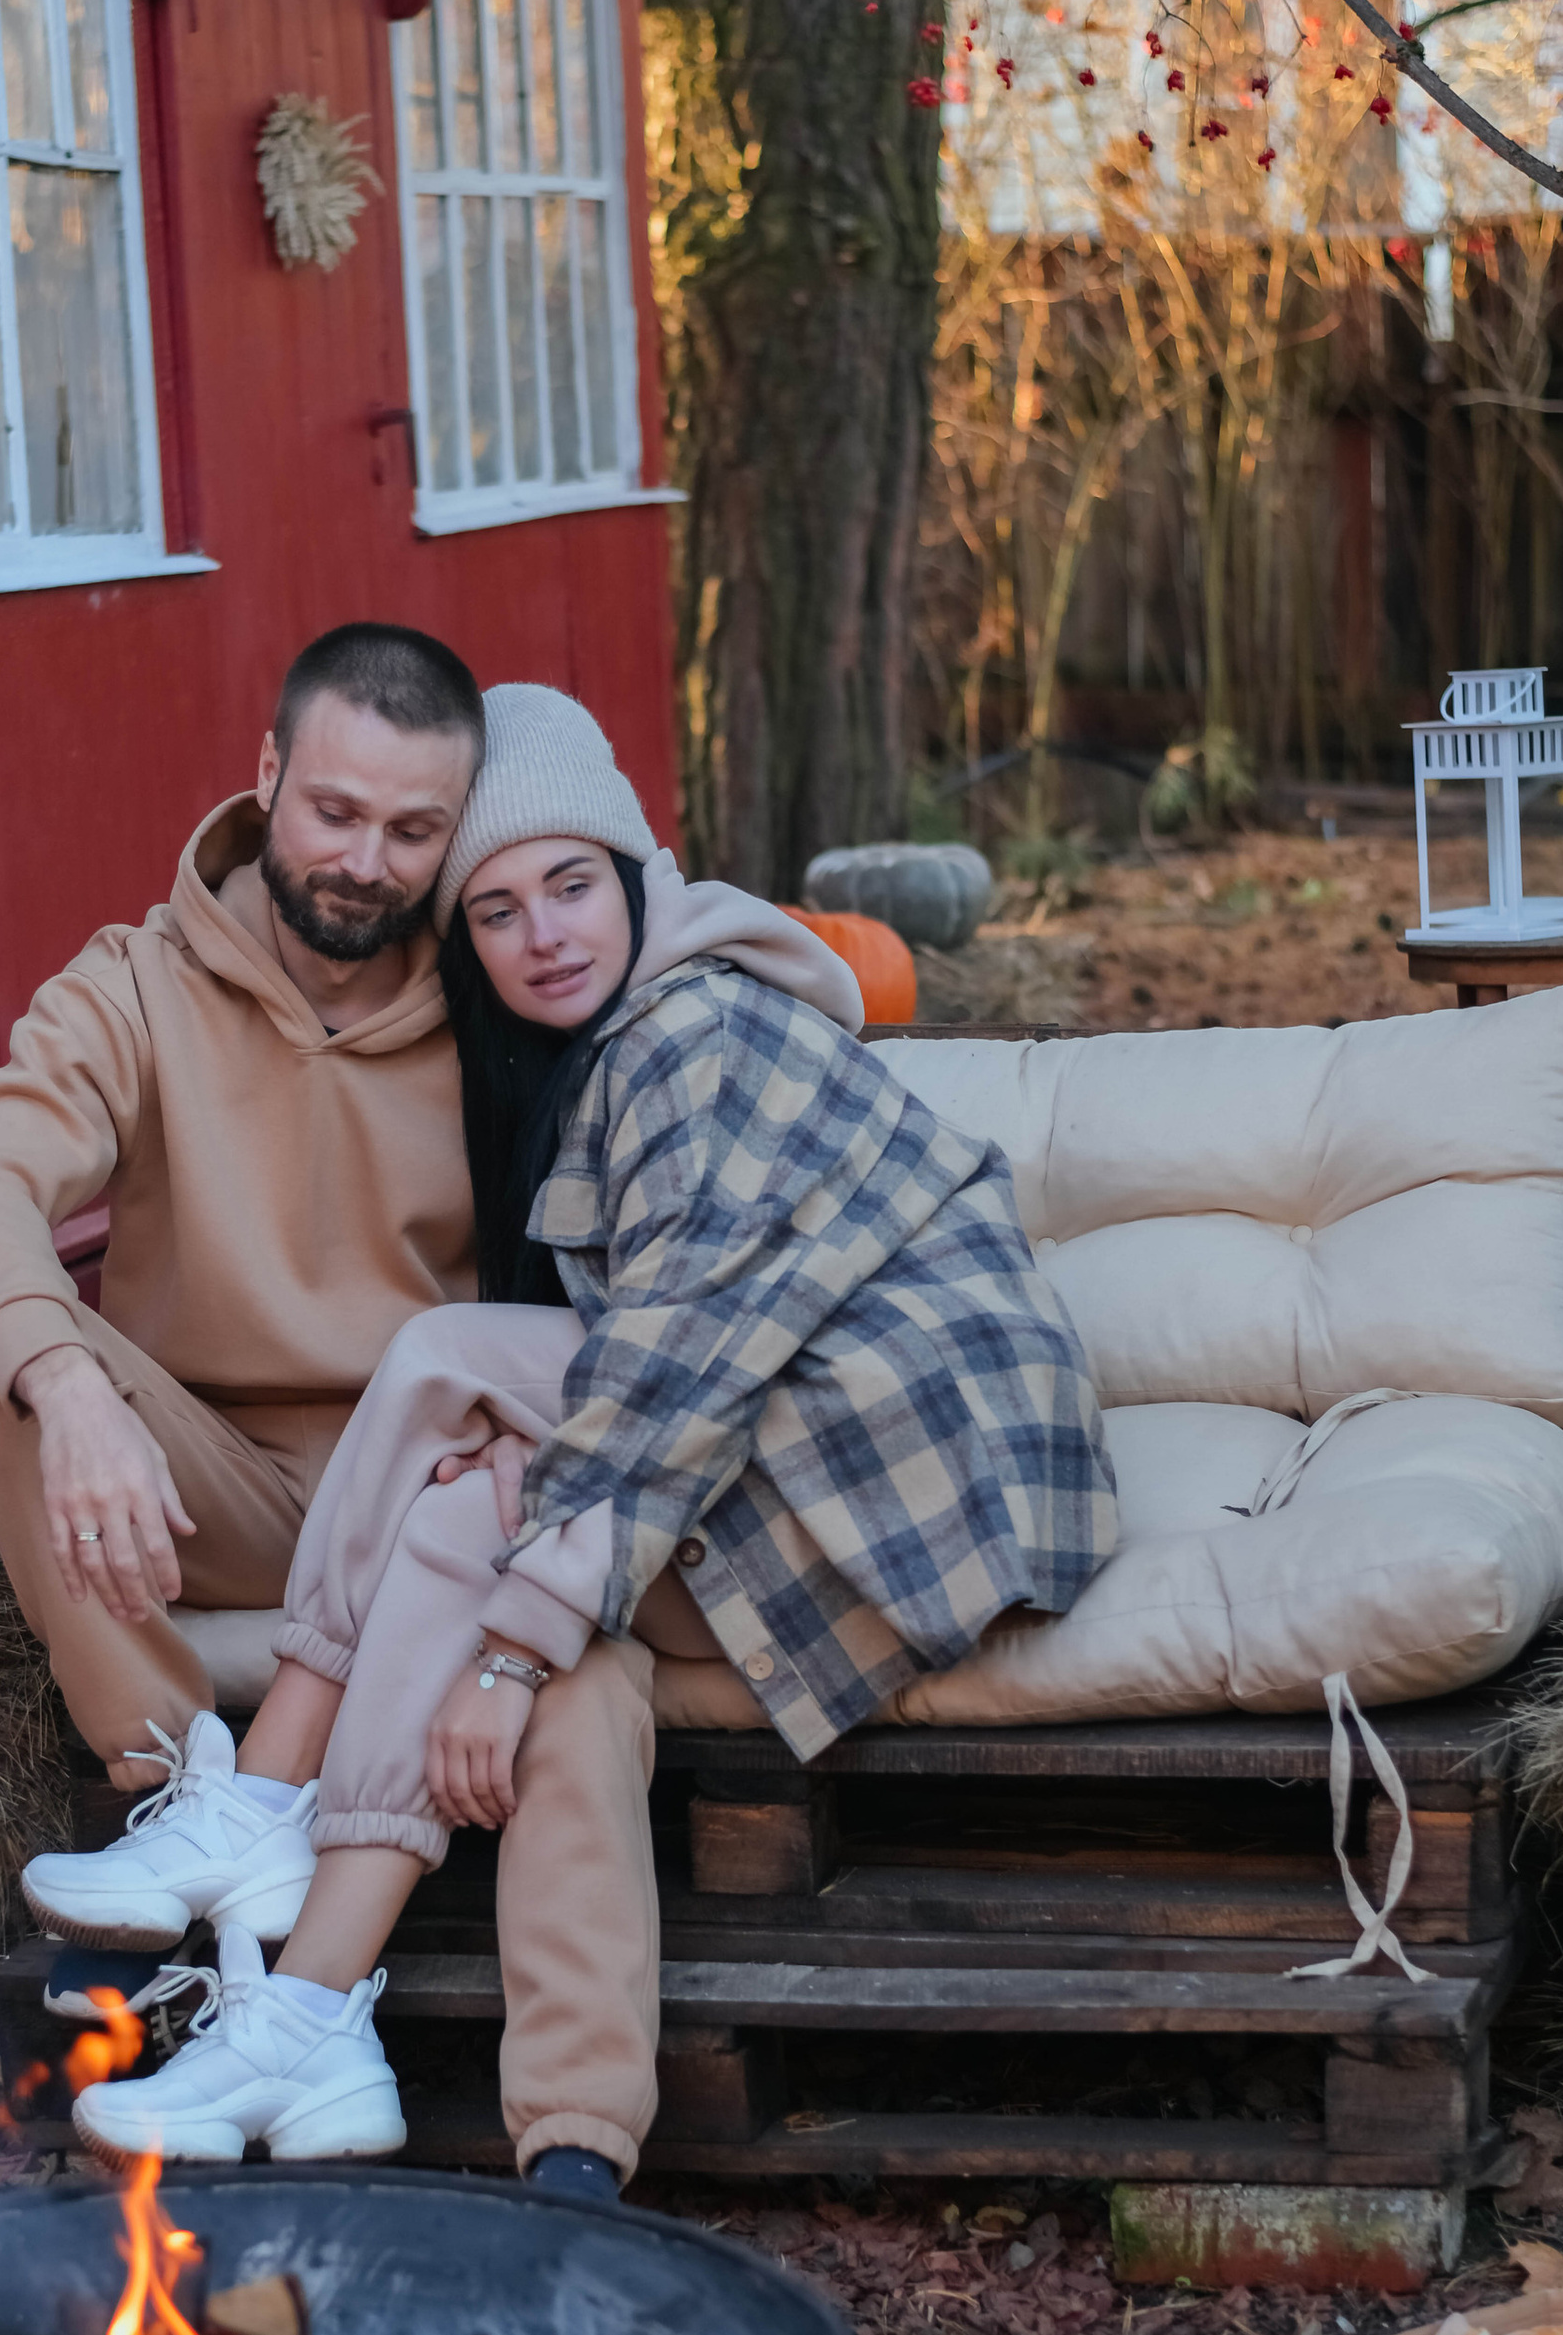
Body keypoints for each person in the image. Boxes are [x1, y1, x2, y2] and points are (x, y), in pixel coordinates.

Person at [63, 683, 1121, 2198]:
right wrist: (519, 1583)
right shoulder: (617, 1046)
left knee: (452, 1402)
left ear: (636, 872)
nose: (545, 935)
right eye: (495, 912)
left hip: (914, 1493)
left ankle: (275, 1823)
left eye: (571, 885)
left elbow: (678, 1385)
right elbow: (646, 1379)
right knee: (475, 1492)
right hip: (805, 1455)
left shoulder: (702, 1043)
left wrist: (503, 1651)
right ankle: (352, 2035)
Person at [0, 629, 658, 2093]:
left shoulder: (510, 991)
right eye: (336, 811)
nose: (367, 860)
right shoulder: (133, 985)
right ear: (268, 779)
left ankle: (290, 1930)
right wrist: (69, 1386)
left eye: (414, 831)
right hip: (217, 1493)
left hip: (425, 1504)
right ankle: (180, 1799)